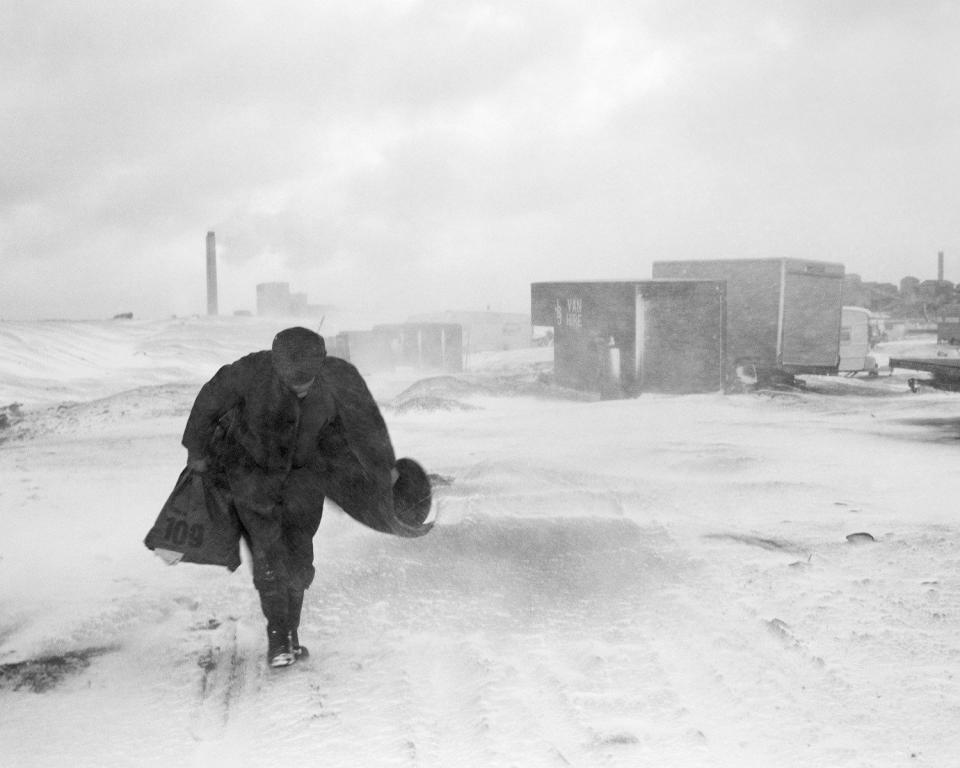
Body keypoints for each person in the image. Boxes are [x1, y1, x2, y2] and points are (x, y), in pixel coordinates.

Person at [180, 326, 431, 667]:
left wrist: (385, 468)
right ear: (277, 364)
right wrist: (197, 451)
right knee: (268, 553)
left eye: (307, 379)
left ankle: (290, 634)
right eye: (292, 379)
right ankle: (278, 638)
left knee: (298, 556)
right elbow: (208, 403)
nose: (301, 386)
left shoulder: (338, 377)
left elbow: (366, 424)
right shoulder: (249, 372)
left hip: (305, 479)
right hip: (252, 478)